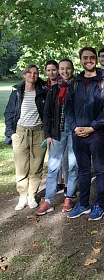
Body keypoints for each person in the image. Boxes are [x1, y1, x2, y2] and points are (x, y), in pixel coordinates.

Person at [66, 47, 104, 221]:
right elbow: (68, 108)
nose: (89, 60)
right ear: (80, 60)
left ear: (96, 60)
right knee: (83, 169)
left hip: (97, 134)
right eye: (85, 58)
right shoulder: (75, 82)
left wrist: (92, 127)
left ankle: (99, 204)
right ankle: (83, 204)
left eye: (92, 57)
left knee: (100, 170)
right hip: (77, 133)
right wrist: (74, 127)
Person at [36, 59, 79, 215]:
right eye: (62, 69)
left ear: (72, 69)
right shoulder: (54, 90)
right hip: (57, 133)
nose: (65, 71)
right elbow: (46, 114)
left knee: (73, 166)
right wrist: (47, 135)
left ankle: (69, 197)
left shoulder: (77, 86)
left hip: (74, 132)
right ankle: (48, 200)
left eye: (68, 68)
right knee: (54, 167)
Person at [4, 65, 47, 210]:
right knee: (21, 167)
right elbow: (9, 114)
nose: (32, 75)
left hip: (38, 132)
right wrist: (11, 133)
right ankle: (22, 196)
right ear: (24, 75)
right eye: (29, 72)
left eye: (35, 73)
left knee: (36, 166)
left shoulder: (42, 92)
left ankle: (31, 195)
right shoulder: (17, 93)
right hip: (20, 132)